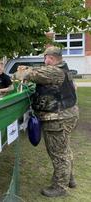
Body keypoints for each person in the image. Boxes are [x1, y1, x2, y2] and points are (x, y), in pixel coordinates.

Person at [16, 46, 79, 197]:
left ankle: (60, 187)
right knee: (65, 149)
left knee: (58, 153)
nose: (44, 61)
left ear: (51, 58)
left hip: (58, 118)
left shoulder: (54, 71)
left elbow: (28, 74)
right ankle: (69, 178)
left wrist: (21, 71)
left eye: (45, 58)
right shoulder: (63, 70)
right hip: (67, 114)